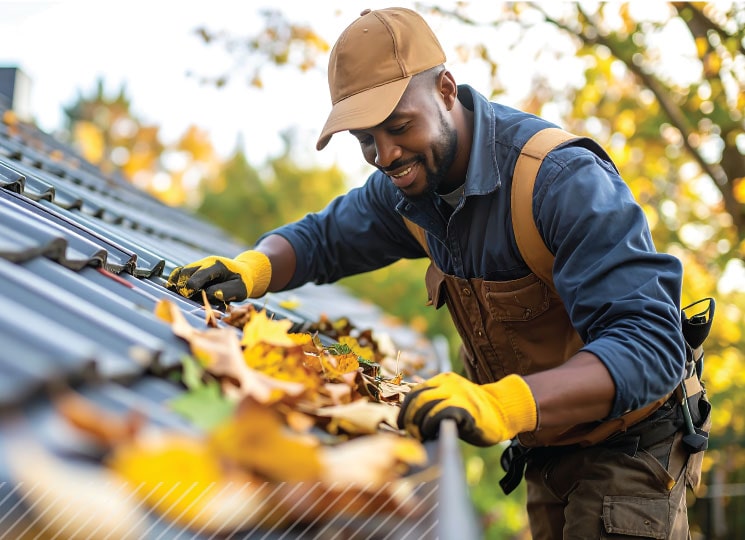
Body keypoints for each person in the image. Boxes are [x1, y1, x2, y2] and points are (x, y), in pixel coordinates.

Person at [167, 7, 710, 538]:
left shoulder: (560, 181)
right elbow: (323, 238)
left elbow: (650, 344)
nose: (384, 156)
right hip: (550, 447)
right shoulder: (408, 188)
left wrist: (503, 403)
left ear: (447, 90)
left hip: (635, 447)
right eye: (366, 141)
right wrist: (254, 267)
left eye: (399, 127)